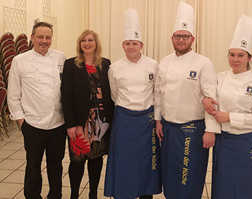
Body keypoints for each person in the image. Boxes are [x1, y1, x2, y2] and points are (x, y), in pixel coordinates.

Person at [154, 2, 220, 199]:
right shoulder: (164, 62)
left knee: (190, 176)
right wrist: (158, 120)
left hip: (193, 130)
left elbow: (211, 98)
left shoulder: (203, 63)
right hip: (168, 129)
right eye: (177, 36)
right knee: (170, 174)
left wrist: (210, 130)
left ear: (192, 38)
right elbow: (158, 93)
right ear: (172, 38)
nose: (181, 40)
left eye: (185, 36)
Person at [202, 15, 252, 199]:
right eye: (232, 55)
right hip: (225, 143)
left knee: (251, 188)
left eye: (241, 55)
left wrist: (230, 117)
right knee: (225, 186)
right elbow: (209, 103)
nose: (235, 59)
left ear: (249, 57)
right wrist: (205, 100)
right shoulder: (220, 77)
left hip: (248, 142)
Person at [104, 8, 162, 199]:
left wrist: (155, 118)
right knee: (125, 161)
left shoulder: (153, 65)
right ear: (123, 45)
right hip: (124, 120)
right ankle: (124, 193)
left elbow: (157, 93)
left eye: (134, 43)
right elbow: (114, 94)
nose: (131, 47)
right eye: (128, 43)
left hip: (146, 121)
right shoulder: (114, 68)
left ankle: (145, 194)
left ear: (141, 45)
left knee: (145, 161)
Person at [7, 22, 66, 199]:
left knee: (56, 165)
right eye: (40, 37)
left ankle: (55, 195)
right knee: (33, 166)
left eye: (48, 37)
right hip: (32, 124)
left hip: (58, 123)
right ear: (32, 37)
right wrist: (21, 121)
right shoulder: (19, 61)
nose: (44, 41)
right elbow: (13, 95)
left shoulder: (60, 57)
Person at [61, 30, 114, 199]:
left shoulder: (105, 64)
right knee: (77, 160)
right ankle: (75, 194)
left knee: (96, 159)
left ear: (96, 43)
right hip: (79, 122)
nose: (87, 43)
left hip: (101, 121)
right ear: (79, 44)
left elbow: (111, 93)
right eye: (83, 40)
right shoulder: (71, 64)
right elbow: (66, 96)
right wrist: (70, 124)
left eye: (90, 40)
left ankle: (92, 194)